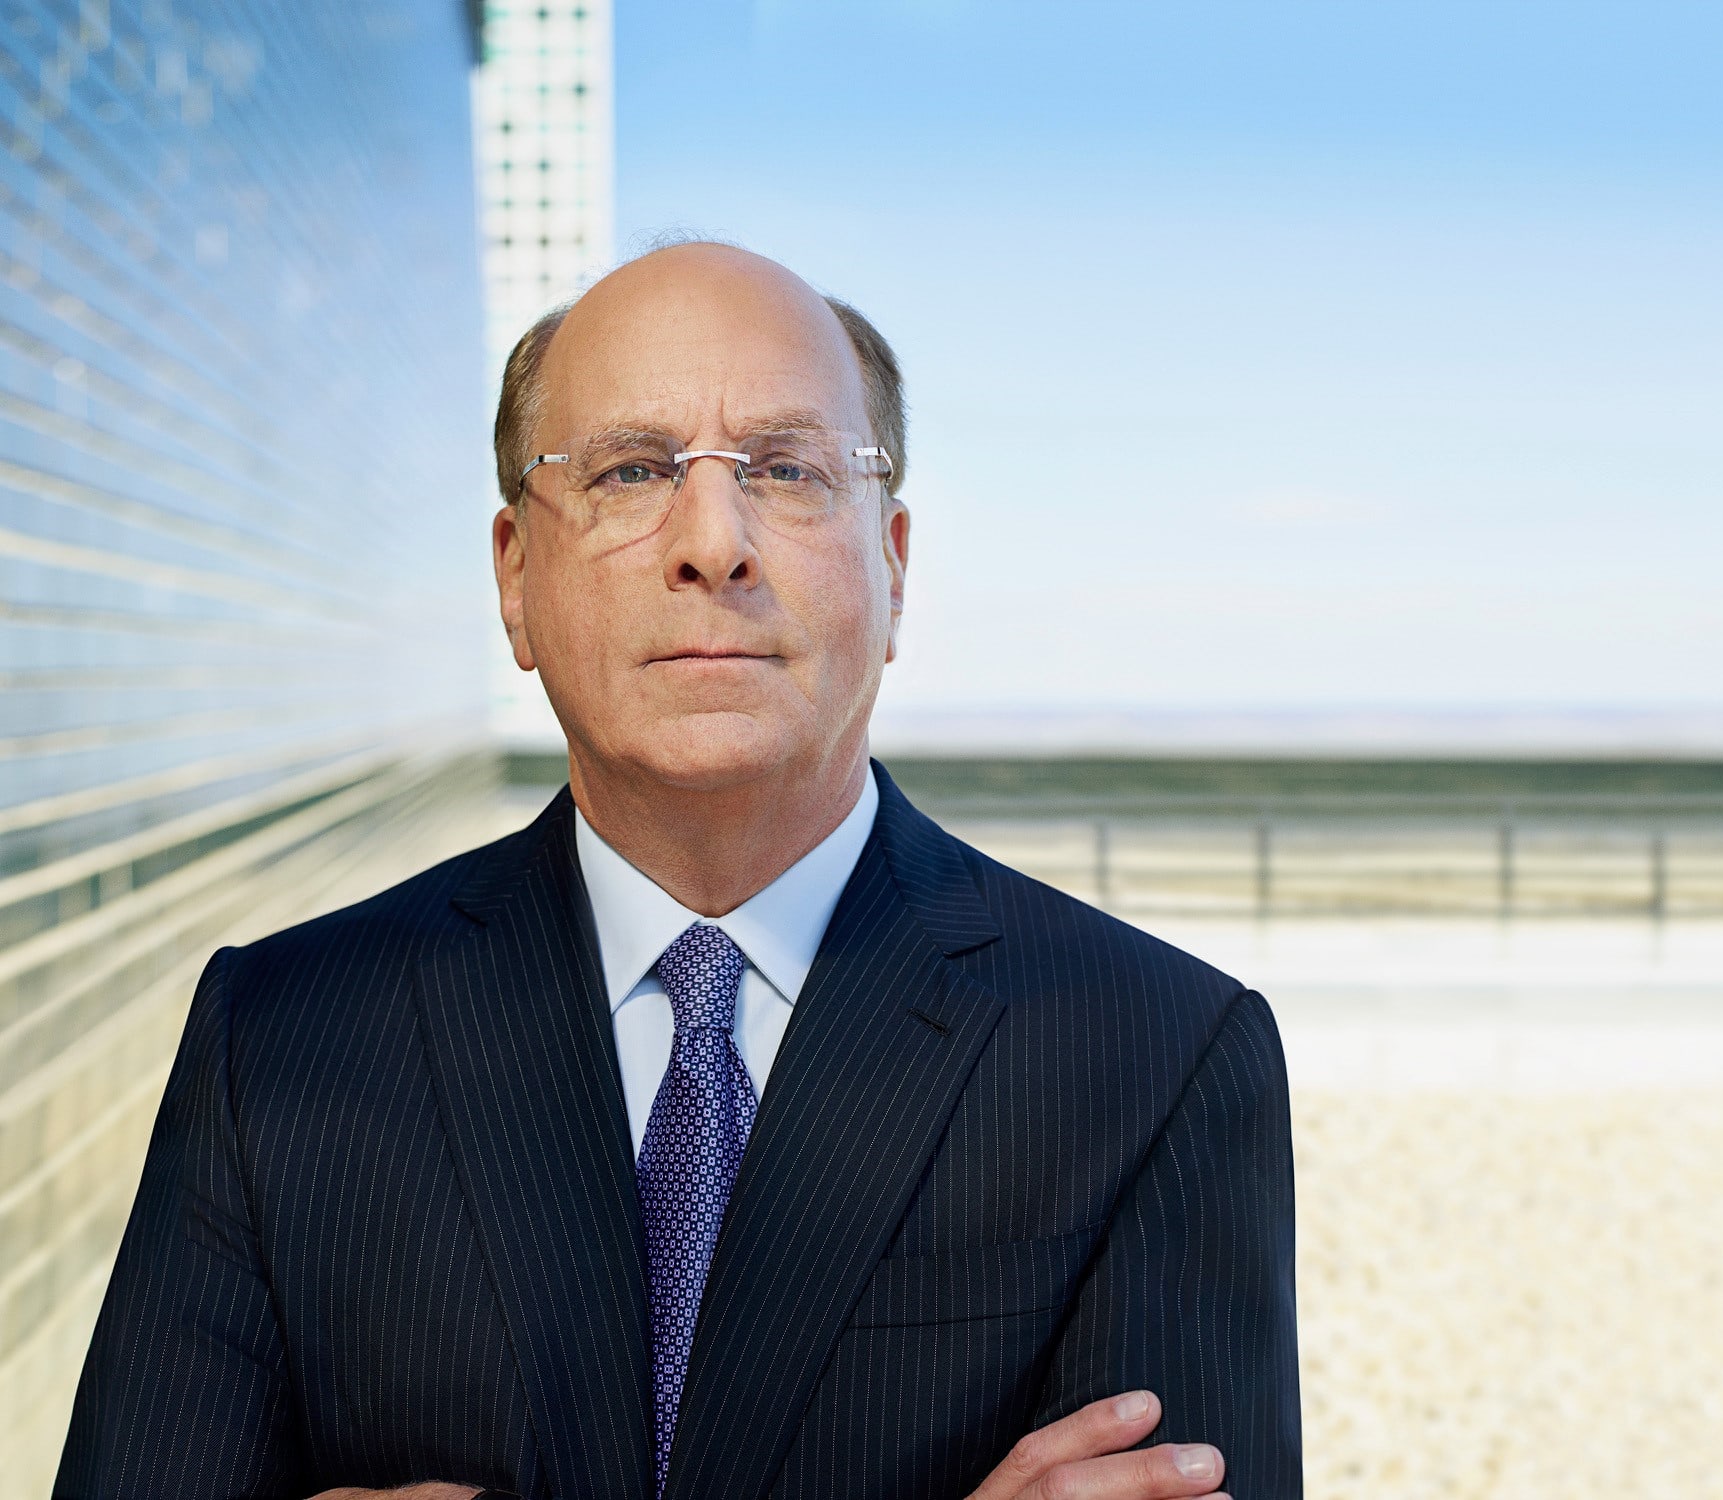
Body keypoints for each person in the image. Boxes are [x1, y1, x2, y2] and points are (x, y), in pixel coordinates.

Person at [55, 243, 1300, 1500]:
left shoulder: (1157, 1056)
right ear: (516, 578)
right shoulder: (276, 1039)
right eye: (632, 470)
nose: (713, 543)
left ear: (895, 563)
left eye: (788, 470)